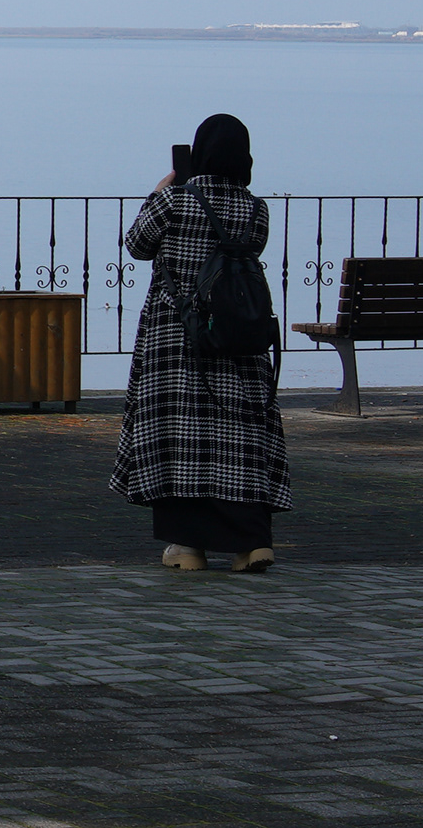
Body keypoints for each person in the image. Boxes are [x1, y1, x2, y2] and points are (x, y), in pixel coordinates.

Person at [109, 113, 291, 572]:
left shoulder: (174, 202)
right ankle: (252, 543)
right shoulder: (256, 210)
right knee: (241, 437)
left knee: (179, 438)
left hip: (176, 341)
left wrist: (158, 193)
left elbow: (137, 245)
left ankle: (188, 548)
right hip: (238, 341)